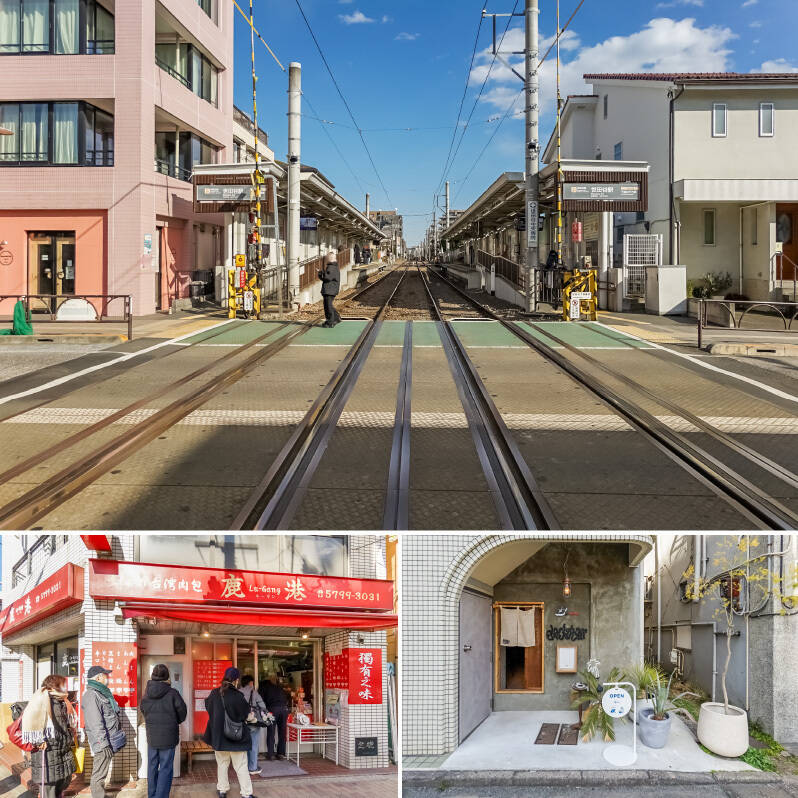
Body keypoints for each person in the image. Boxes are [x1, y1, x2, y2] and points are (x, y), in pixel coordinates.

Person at [202, 667, 253, 798]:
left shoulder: (214, 693)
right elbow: (245, 715)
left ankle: (222, 790)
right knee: (241, 765)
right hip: (236, 737)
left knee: (222, 763)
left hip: (219, 736)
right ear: (236, 681)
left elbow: (209, 708)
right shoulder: (238, 696)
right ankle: (246, 794)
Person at [23, 674, 76, 798]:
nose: (65, 687)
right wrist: (37, 741)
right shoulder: (40, 700)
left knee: (62, 785)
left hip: (62, 752)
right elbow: (30, 723)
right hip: (47, 754)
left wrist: (70, 731)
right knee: (49, 791)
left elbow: (63, 723)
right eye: (63, 684)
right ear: (55, 686)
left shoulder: (61, 701)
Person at [140, 664, 187, 798]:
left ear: (153, 676)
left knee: (152, 767)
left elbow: (143, 709)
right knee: (166, 769)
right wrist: (173, 721)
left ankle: (152, 795)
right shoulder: (173, 693)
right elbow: (182, 713)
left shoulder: (146, 693)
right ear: (167, 677)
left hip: (152, 738)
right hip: (168, 738)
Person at [82, 665, 123, 798]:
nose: (108, 677)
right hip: (102, 743)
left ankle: (102, 795)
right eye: (106, 675)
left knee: (102, 773)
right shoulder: (91, 695)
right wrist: (103, 743)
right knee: (99, 775)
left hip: (108, 740)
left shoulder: (100, 693)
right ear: (98, 677)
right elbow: (95, 723)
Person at [239, 675, 269, 776]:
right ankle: (252, 768)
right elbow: (263, 707)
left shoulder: (238, 692)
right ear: (251, 683)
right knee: (254, 745)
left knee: (243, 745)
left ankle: (243, 767)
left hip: (242, 723)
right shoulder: (254, 693)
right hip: (254, 723)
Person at [259, 677, 290, 762]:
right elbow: (286, 697)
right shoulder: (278, 687)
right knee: (282, 732)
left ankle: (271, 754)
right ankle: (281, 754)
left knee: (271, 731)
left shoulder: (263, 686)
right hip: (284, 709)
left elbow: (260, 700)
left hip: (273, 710)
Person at [318, 251, 341, 328]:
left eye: (327, 258)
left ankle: (330, 322)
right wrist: (321, 274)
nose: (326, 260)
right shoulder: (334, 267)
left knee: (328, 306)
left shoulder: (331, 267)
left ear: (330, 259)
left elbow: (327, 277)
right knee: (329, 305)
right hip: (331, 289)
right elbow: (327, 277)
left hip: (329, 290)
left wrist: (320, 273)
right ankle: (336, 318)